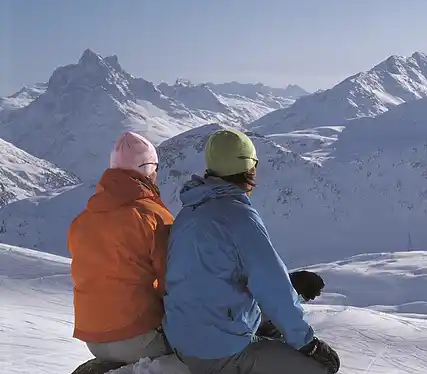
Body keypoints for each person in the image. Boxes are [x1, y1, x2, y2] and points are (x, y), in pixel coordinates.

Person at [162, 128, 340, 374]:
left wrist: (289, 284)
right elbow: (271, 285)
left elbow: (213, 275)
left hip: (182, 339)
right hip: (218, 351)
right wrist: (308, 344)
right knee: (321, 368)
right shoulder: (239, 217)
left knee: (271, 323)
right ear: (249, 168)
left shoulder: (188, 212)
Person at [68, 132, 173, 364]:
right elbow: (174, 281)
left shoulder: (82, 221)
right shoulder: (154, 217)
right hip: (140, 336)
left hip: (93, 339)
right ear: (149, 170)